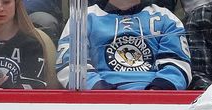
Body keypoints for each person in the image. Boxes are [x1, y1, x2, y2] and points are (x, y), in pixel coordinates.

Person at [56, 0, 191, 90]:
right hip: (98, 104)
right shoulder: (83, 17)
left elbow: (178, 66)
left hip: (156, 104)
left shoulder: (166, 18)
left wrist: (155, 92)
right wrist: (102, 92)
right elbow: (71, 66)